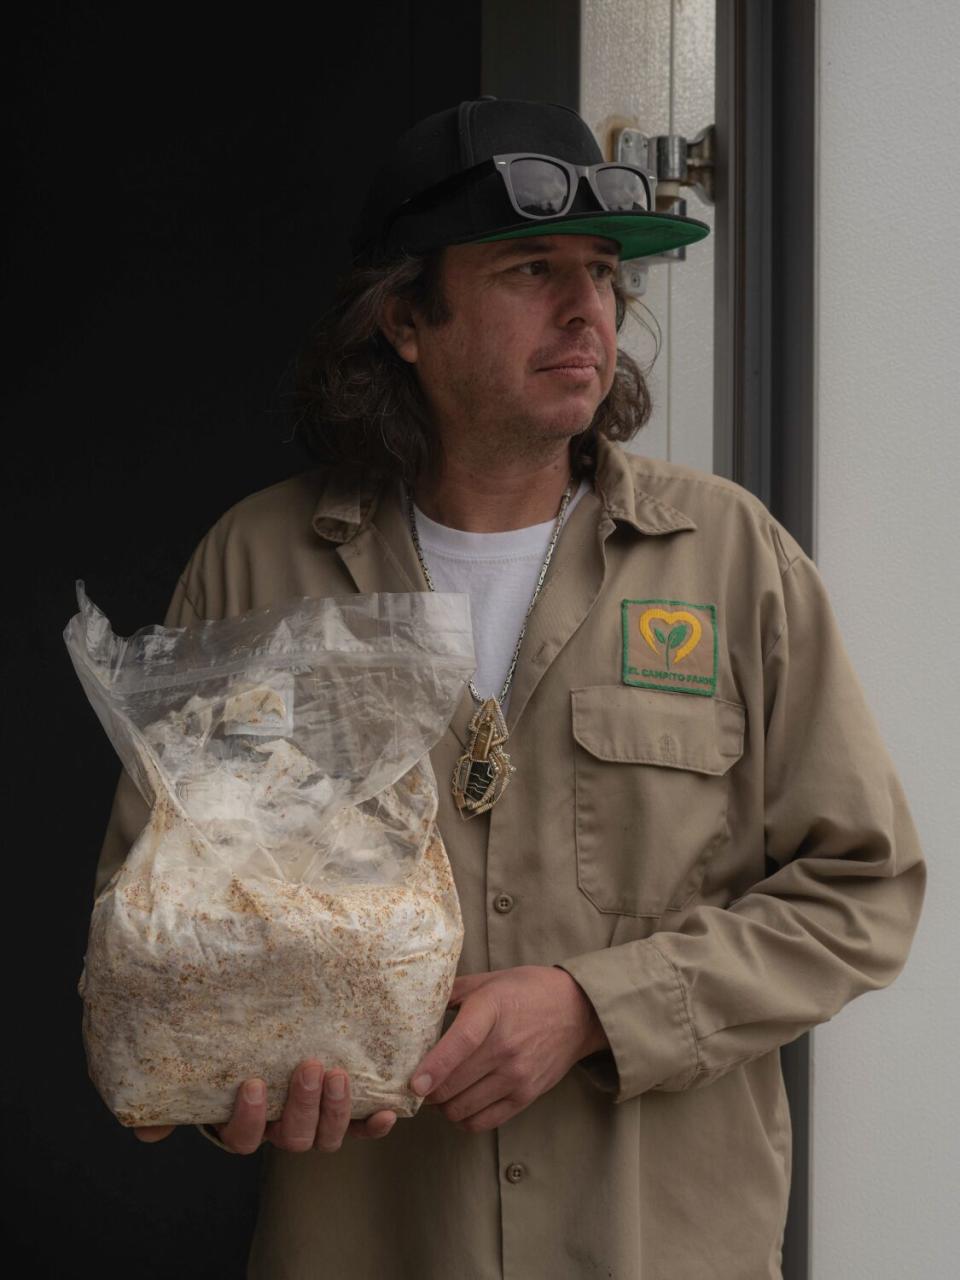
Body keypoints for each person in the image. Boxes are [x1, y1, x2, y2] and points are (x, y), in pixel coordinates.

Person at [95, 98, 925, 1279]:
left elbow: (863, 889)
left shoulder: (731, 559)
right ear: (405, 320)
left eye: (602, 273)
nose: (589, 309)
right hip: (373, 1244)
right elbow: (156, 929)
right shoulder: (259, 568)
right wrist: (232, 1072)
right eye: (533, 267)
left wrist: (596, 1004)